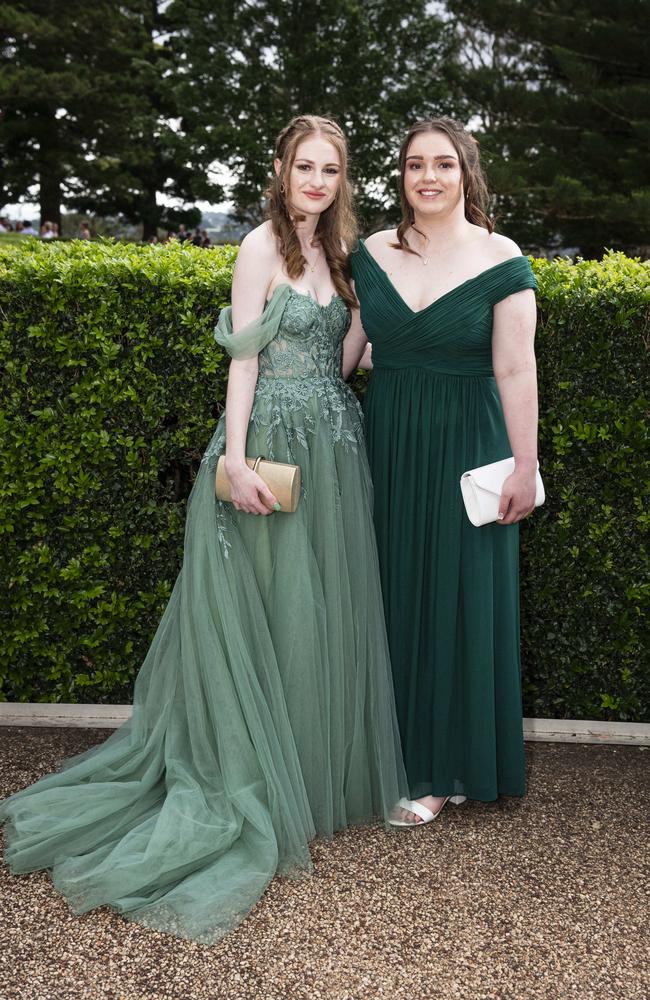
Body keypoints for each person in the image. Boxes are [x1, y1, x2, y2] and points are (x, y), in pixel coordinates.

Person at [0, 114, 407, 943]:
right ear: (282, 170)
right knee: (259, 612)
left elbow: (347, 362)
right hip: (270, 454)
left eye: (331, 169)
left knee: (318, 616)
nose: (318, 181)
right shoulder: (261, 246)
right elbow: (245, 361)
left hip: (333, 453)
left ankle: (308, 778)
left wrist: (386, 312)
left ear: (342, 179)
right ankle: (246, 775)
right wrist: (239, 461)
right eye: (306, 167)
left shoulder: (345, 258)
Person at [348, 116, 538, 825]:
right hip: (389, 443)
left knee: (462, 598)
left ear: (466, 172)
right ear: (400, 176)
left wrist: (526, 464)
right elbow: (351, 351)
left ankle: (444, 769)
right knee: (393, 592)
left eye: (443, 164)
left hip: (470, 445)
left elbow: (516, 366)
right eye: (414, 164)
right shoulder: (371, 252)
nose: (428, 176)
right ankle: (397, 758)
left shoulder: (501, 255)